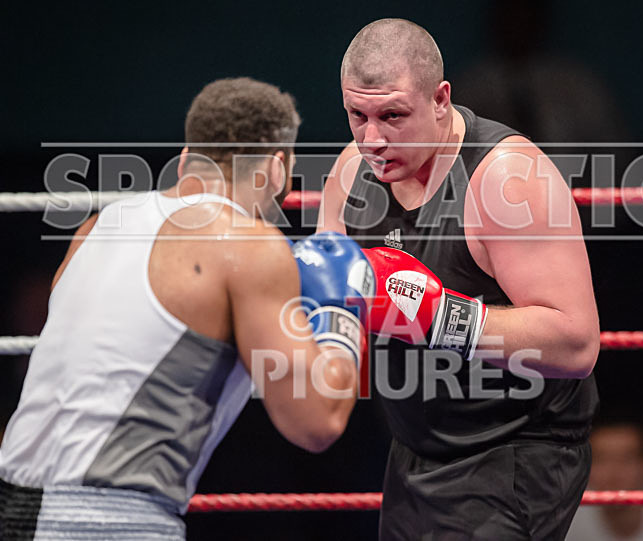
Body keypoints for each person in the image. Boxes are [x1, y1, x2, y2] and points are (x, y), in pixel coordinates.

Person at [0, 77, 373, 540]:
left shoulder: (98, 226)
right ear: (277, 170)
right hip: (109, 520)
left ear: (185, 160)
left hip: (11, 504)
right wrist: (342, 314)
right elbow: (317, 422)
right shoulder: (250, 246)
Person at [318, 19, 600, 540]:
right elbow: (332, 311)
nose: (373, 139)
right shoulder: (348, 174)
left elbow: (577, 344)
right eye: (357, 115)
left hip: (516, 451)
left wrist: (439, 316)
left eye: (393, 116)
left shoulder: (506, 180)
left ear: (441, 98)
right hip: (413, 450)